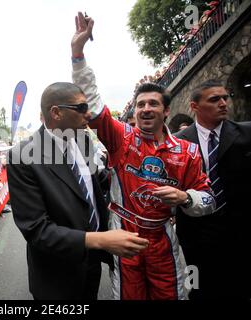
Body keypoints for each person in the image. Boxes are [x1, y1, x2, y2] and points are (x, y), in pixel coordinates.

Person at [70, 12, 215, 300]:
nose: (145, 109)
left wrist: (184, 198)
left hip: (163, 240)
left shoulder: (187, 151)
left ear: (166, 112)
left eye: (152, 104)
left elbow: (208, 200)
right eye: (140, 105)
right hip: (123, 236)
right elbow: (95, 105)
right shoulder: (120, 138)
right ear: (134, 111)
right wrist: (78, 53)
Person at [7, 82, 149, 300]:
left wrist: (137, 177)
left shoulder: (82, 140)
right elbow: (36, 230)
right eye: (81, 108)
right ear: (56, 112)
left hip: (91, 264)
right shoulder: (22, 156)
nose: (89, 114)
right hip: (56, 275)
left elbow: (96, 181)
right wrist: (100, 240)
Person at [175, 79, 251, 299]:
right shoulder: (177, 143)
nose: (223, 103)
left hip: (245, 234)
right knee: (200, 290)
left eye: (225, 97)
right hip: (196, 236)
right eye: (214, 99)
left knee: (246, 289)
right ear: (195, 106)